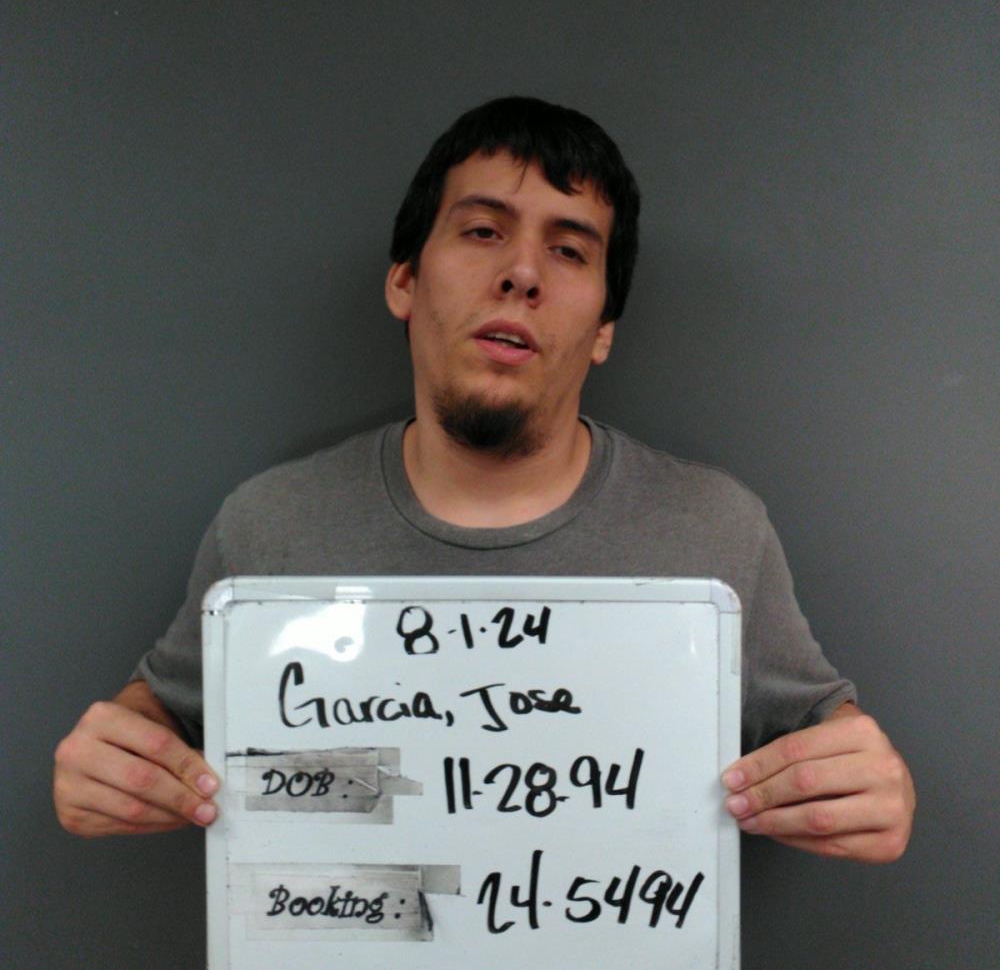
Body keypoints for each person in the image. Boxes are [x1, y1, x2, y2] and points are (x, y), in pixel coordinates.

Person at [53, 96, 914, 862]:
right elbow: (165, 711)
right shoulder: (269, 526)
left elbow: (826, 734)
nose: (522, 274)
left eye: (569, 250)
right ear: (405, 280)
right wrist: (121, 755)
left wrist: (872, 783)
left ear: (604, 329)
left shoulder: (716, 531)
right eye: (482, 231)